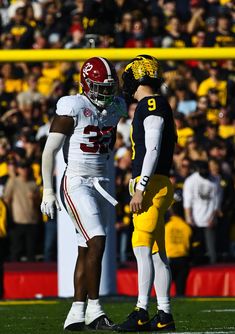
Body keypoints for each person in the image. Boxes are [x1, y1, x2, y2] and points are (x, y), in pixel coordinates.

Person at [40, 57, 125, 331]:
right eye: (99, 86)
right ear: (86, 84)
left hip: (101, 182)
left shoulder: (116, 107)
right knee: (98, 240)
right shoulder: (73, 106)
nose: (105, 92)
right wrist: (48, 191)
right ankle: (96, 310)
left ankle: (76, 312)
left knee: (85, 247)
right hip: (76, 181)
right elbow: (49, 151)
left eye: (108, 87)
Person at [117, 55, 176, 332]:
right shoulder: (153, 104)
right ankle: (164, 314)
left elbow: (151, 148)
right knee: (156, 252)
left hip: (151, 185)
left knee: (141, 245)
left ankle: (141, 310)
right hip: (157, 182)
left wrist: (141, 187)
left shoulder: (150, 104)